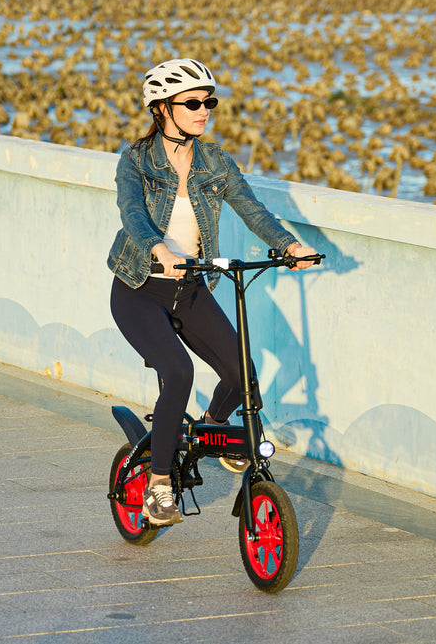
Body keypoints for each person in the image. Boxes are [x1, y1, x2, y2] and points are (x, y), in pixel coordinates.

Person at [107, 58, 317, 526]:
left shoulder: (215, 161)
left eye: (209, 102)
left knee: (243, 374)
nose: (204, 110)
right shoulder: (135, 160)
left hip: (190, 287)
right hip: (139, 288)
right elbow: (132, 213)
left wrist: (289, 245)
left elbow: (251, 208)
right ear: (163, 109)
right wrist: (160, 249)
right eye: (193, 103)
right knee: (178, 371)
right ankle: (160, 484)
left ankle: (213, 428)